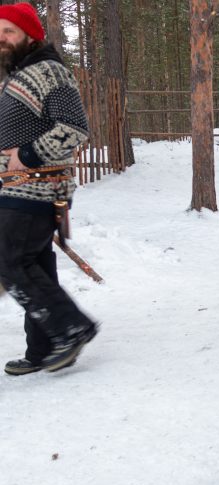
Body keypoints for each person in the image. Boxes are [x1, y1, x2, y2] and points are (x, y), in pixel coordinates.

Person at [0, 2, 97, 376]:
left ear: (30, 35)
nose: (3, 39)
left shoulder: (50, 72)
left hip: (38, 187)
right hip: (16, 186)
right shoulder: (14, 78)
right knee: (34, 263)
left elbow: (74, 129)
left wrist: (27, 153)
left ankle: (72, 329)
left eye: (10, 31)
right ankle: (42, 348)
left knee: (9, 261)